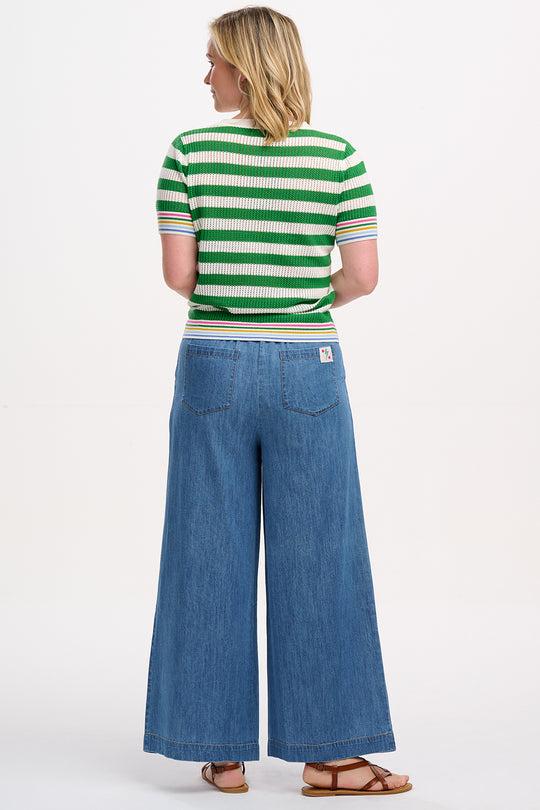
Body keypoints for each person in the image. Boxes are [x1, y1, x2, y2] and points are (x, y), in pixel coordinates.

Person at [143, 5, 412, 797]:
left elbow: (180, 276)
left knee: (205, 551)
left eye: (215, 61)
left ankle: (219, 752)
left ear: (246, 67)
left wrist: (240, 296)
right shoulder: (338, 157)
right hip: (308, 366)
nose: (206, 76)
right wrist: (300, 300)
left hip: (213, 363)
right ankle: (332, 760)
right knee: (320, 556)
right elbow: (362, 277)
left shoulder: (189, 152)